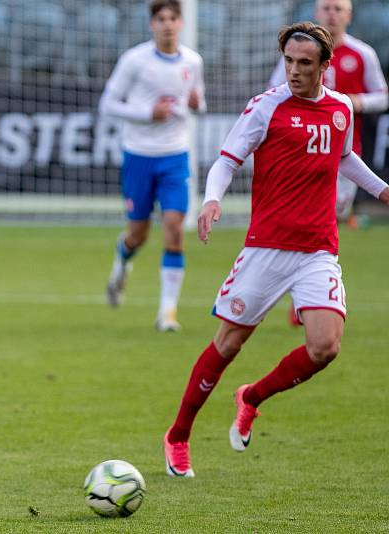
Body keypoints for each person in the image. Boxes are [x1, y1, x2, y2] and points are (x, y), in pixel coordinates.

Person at [163, 22, 389, 478]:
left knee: (325, 346)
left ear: (325, 67)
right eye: (289, 61)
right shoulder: (266, 108)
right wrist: (211, 200)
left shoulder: (341, 108)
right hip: (265, 249)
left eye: (305, 63)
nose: (294, 71)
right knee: (228, 344)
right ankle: (179, 435)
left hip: (317, 250)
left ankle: (252, 397)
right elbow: (227, 160)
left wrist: (382, 190)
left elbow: (344, 157)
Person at [98, 0, 206, 332]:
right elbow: (108, 104)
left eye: (173, 19)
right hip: (139, 156)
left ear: (181, 24)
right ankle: (122, 262)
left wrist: (197, 104)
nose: (168, 25)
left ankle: (167, 313)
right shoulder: (134, 60)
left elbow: (199, 101)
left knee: (174, 228)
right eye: (161, 19)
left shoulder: (193, 61)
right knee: (138, 235)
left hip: (175, 156)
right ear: (152, 25)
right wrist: (148, 113)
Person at [269, 0, 388, 226]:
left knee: (336, 214)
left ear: (349, 16)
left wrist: (357, 102)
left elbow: (383, 97)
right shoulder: (298, 52)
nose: (332, 14)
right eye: (326, 8)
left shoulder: (363, 53)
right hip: (302, 145)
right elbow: (273, 91)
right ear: (317, 13)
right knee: (306, 214)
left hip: (346, 149)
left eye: (338, 9)